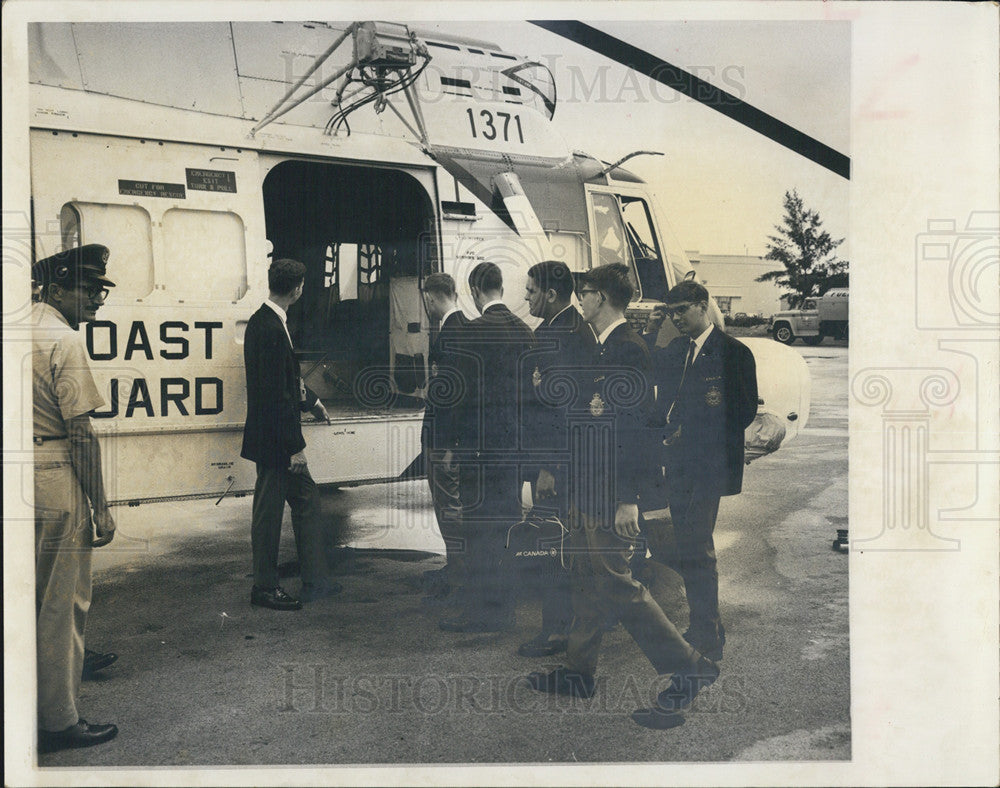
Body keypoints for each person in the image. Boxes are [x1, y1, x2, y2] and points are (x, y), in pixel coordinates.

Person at [526, 263, 719, 728]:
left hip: (611, 491)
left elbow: (638, 431)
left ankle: (689, 664)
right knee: (587, 579)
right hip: (585, 486)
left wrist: (629, 497)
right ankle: (578, 671)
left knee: (618, 584)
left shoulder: (628, 350)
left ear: (603, 298)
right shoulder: (599, 345)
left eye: (585, 292)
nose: (579, 300)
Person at [32, 243, 119, 752]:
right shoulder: (63, 340)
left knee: (23, 599)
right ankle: (59, 722)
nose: (97, 300)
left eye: (100, 292)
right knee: (60, 604)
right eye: (88, 290)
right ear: (57, 288)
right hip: (55, 475)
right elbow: (81, 431)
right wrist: (101, 507)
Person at [642, 280, 758, 661]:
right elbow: (646, 367)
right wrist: (652, 328)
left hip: (708, 466)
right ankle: (707, 623)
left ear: (703, 306)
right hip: (677, 465)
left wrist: (688, 434)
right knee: (688, 545)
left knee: (697, 547)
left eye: (682, 312)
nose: (677, 319)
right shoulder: (676, 350)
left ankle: (706, 630)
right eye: (671, 313)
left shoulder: (733, 353)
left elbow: (741, 413)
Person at [438, 262, 535, 633]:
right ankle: (505, 609)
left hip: (477, 450)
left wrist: (447, 444)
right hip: (512, 451)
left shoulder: (472, 333)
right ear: (500, 288)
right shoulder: (525, 332)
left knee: (478, 530)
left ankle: (481, 612)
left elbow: (453, 395)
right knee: (507, 527)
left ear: (476, 291)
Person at [241, 258, 338, 610]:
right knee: (268, 515)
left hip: (273, 437)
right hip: (276, 442)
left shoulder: (265, 321)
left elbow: (285, 380)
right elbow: (275, 395)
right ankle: (265, 588)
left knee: (307, 500)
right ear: (297, 289)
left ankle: (316, 581)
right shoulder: (270, 327)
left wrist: (311, 400)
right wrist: (295, 448)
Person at [517, 260, 597, 658]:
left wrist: (548, 466)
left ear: (550, 294)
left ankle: (556, 632)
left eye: (531, 291)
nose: (526, 297)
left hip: (559, 464)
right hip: (551, 460)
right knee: (554, 545)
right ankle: (560, 625)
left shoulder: (567, 335)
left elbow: (564, 408)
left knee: (556, 546)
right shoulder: (554, 330)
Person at [419, 273, 473, 601]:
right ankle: (458, 567)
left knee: (448, 506)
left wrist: (450, 444)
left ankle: (460, 573)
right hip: (449, 438)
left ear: (431, 297)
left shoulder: (450, 335)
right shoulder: (464, 328)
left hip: (443, 439)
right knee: (451, 504)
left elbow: (449, 396)